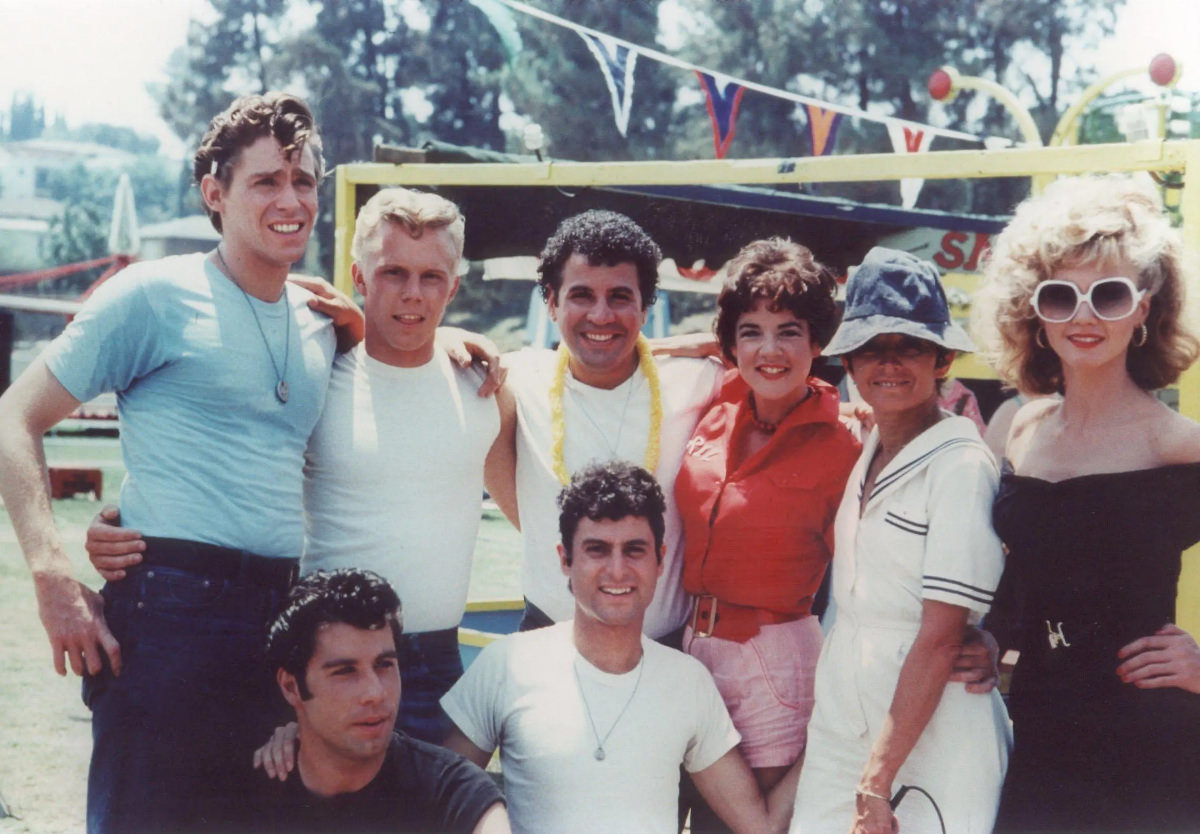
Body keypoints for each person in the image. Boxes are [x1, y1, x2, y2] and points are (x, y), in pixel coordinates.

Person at [0, 92, 364, 833]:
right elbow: (14, 415)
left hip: (281, 628)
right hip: (169, 617)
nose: (291, 200)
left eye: (304, 182)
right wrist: (52, 573)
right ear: (214, 193)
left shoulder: (325, 322)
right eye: (266, 182)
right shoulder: (153, 295)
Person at [86, 186, 510, 745]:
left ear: (453, 286)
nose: (413, 294)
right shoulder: (315, 378)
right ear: (359, 280)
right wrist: (125, 520)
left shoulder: (485, 387)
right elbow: (221, 465)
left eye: (431, 277)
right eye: (393, 274)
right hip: (327, 660)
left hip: (437, 665)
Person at [973, 174, 1200, 832]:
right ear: (1033, 313)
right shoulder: (1016, 427)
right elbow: (1022, 577)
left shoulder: (1177, 444)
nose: (1083, 316)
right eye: (1058, 296)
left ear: (1145, 308)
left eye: (1107, 294)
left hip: (1147, 744)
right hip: (1040, 727)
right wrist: (988, 638)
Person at [440, 460, 793, 834]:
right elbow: (438, 801)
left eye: (634, 550)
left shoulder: (688, 681)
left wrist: (835, 728)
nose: (617, 570)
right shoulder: (506, 664)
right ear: (565, 560)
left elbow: (761, 827)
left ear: (660, 560)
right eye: (597, 549)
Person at [791, 247, 1011, 834]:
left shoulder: (962, 464)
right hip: (845, 715)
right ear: (849, 361)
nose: (887, 364)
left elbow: (940, 640)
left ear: (943, 358)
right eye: (870, 347)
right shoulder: (871, 446)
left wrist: (876, 781)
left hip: (933, 728)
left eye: (908, 345)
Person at [674, 238, 859, 829]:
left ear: (819, 342)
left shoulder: (847, 447)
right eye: (751, 331)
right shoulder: (715, 405)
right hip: (688, 651)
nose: (770, 350)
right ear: (730, 344)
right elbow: (622, 355)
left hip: (772, 663)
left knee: (747, 827)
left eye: (789, 331)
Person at [498, 210, 724, 645]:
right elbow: (431, 351)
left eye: (620, 297)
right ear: (551, 301)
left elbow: (773, 368)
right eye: (581, 295)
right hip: (547, 643)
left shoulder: (698, 380)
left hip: (668, 651)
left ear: (645, 305)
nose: (601, 315)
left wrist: (696, 343)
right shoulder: (514, 380)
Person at [254, 568, 509, 833]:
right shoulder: (244, 789)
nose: (375, 693)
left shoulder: (455, 792)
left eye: (384, 665)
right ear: (291, 686)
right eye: (345, 671)